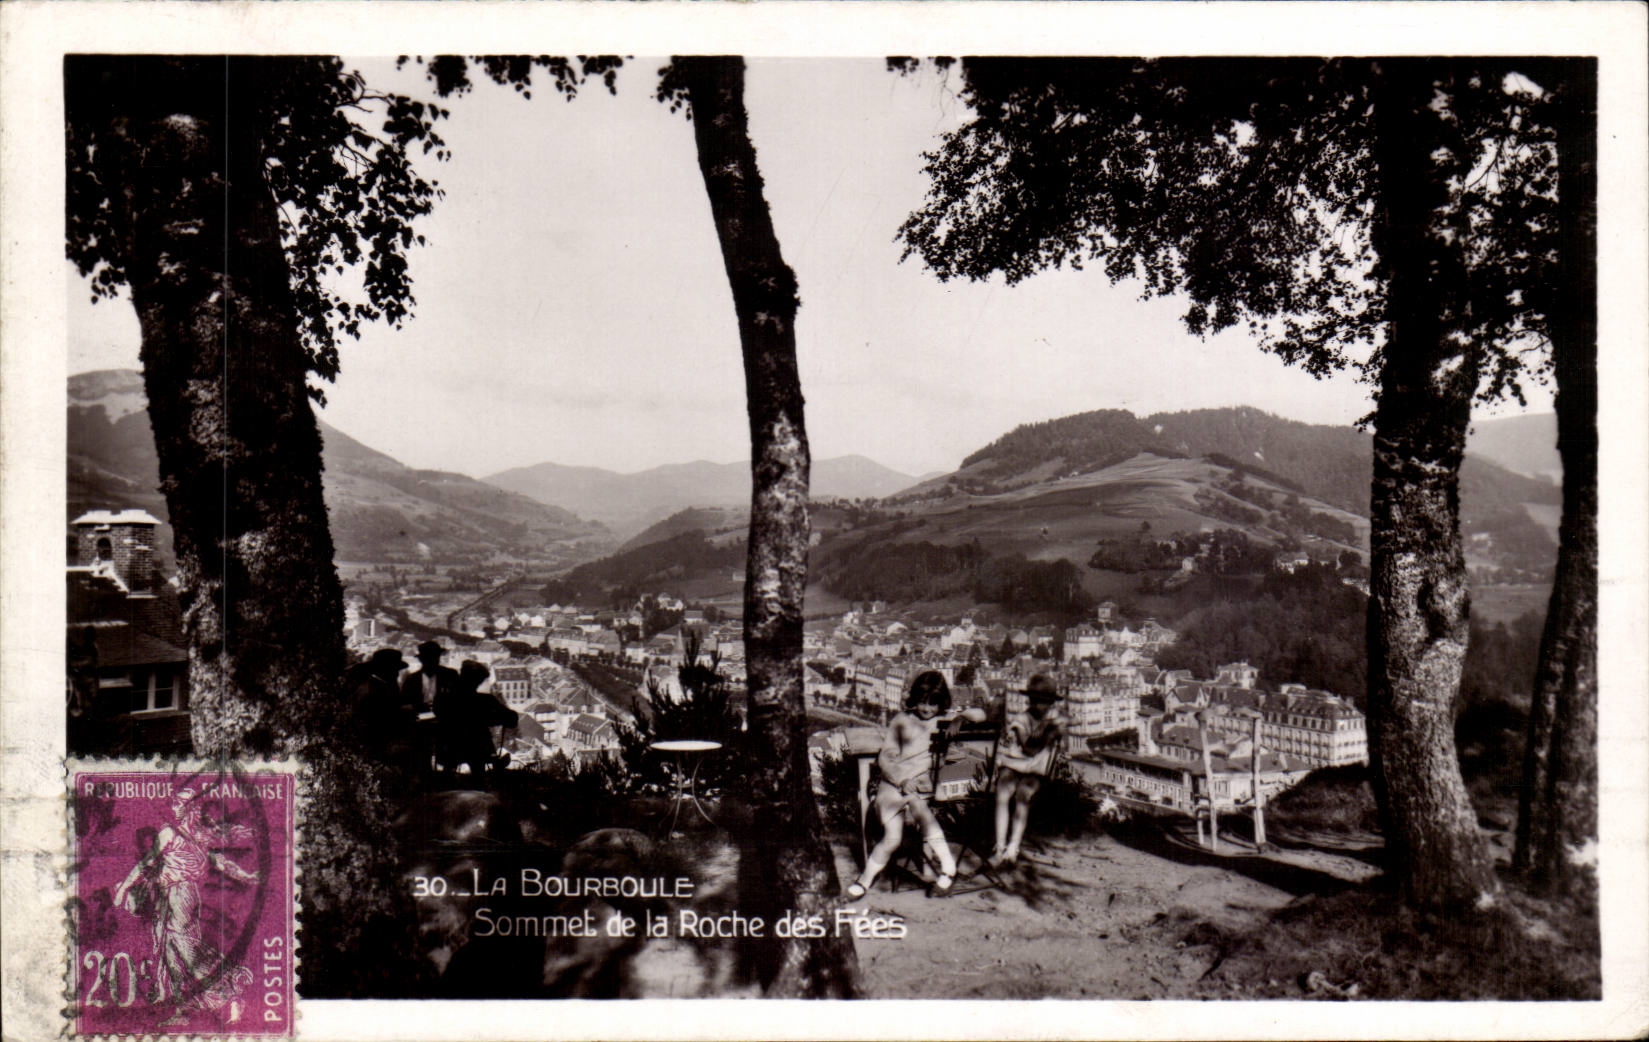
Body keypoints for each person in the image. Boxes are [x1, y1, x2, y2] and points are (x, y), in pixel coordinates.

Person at [111, 788, 258, 1028]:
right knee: (170, 954)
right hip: (168, 897)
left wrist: (122, 890)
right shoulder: (193, 835)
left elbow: (219, 862)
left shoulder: (179, 834)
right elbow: (147, 863)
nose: (174, 808)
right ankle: (183, 1008)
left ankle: (228, 990)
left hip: (181, 894)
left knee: (183, 947)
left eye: (179, 804)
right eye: (175, 803)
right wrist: (124, 889)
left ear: (190, 808)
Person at [846, 671, 984, 899]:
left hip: (919, 790)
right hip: (893, 785)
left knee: (919, 809)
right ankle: (865, 880)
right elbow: (885, 758)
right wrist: (901, 780)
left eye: (933, 704)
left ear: (941, 703)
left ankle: (948, 869)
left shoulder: (944, 719)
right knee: (892, 838)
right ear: (914, 700)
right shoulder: (901, 720)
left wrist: (961, 718)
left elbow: (980, 714)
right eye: (922, 702)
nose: (927, 709)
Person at [990, 673, 1066, 868]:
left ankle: (1012, 848)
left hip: (1036, 770)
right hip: (1015, 764)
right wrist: (1047, 731)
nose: (1040, 706)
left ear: (1051, 704)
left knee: (1022, 794)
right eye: (1037, 702)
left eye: (1045, 703)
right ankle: (999, 847)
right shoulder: (1021, 718)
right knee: (1002, 792)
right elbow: (1028, 747)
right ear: (1030, 701)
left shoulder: (1053, 719)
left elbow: (1069, 720)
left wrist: (1048, 726)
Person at [433, 660, 519, 785]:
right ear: (477, 682)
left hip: (449, 749)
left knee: (448, 775)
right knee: (478, 774)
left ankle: (448, 781)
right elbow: (511, 719)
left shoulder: (442, 699)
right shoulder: (485, 700)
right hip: (477, 750)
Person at [351, 647, 418, 771]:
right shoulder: (373, 690)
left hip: (378, 741)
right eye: (394, 670)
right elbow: (382, 719)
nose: (397, 674)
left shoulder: (379, 686)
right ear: (385, 670)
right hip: (376, 744)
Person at [403, 640, 459, 770]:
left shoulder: (450, 675)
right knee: (419, 747)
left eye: (435, 657)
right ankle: (424, 773)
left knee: (451, 743)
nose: (433, 661)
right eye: (428, 658)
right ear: (422, 660)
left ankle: (447, 774)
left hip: (445, 721)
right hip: (419, 723)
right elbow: (404, 704)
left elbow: (458, 700)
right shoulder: (412, 679)